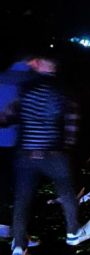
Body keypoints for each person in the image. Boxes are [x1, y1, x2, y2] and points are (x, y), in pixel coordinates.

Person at [9, 55, 90, 255]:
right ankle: (73, 233)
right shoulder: (59, 89)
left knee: (22, 201)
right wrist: (68, 144)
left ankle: (18, 248)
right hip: (52, 153)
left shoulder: (25, 90)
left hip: (26, 155)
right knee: (65, 190)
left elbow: (8, 115)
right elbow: (72, 117)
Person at [0, 58, 35, 241]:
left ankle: (5, 226)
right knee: (13, 186)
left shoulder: (6, 78)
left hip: (8, 140)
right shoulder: (21, 79)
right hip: (11, 142)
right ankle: (8, 228)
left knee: (5, 184)